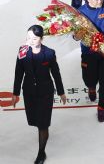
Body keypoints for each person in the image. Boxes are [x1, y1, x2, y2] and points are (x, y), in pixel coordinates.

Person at [11, 25, 67, 164]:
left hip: (45, 93)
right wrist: (15, 93)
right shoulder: (22, 51)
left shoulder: (49, 53)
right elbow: (19, 72)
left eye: (34, 38)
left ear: (42, 39)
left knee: (43, 124)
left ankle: (41, 153)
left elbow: (56, 74)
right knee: (34, 120)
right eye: (28, 37)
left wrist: (61, 92)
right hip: (29, 92)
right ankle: (42, 132)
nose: (30, 40)